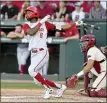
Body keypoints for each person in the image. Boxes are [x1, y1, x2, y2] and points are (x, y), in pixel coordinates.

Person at [22, 6, 82, 99]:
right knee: (38, 80)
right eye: (26, 12)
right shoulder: (26, 25)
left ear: (34, 13)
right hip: (33, 54)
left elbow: (61, 28)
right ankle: (60, 87)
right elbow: (31, 32)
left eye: (29, 12)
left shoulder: (45, 24)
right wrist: (41, 22)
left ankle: (48, 89)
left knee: (31, 70)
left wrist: (74, 24)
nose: (26, 14)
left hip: (42, 52)